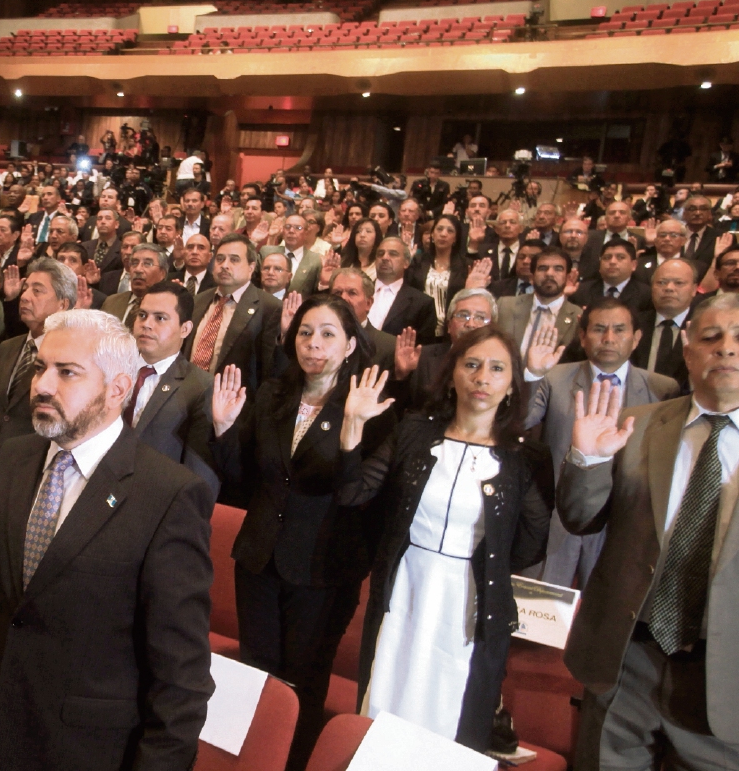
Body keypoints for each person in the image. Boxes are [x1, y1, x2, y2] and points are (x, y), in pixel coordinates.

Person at [0, 308, 215, 771]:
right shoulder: (12, 457)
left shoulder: (168, 494)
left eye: (67, 372)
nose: (41, 385)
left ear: (118, 388)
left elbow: (181, 678)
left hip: (85, 751)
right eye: (40, 367)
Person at [338, 326, 553, 750]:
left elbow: (529, 546)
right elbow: (353, 493)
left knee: (454, 708)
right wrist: (352, 426)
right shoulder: (414, 431)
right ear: (452, 372)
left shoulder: (523, 457)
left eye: (496, 368)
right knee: (387, 690)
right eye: (471, 364)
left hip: (470, 600)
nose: (482, 378)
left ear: (512, 384)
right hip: (406, 586)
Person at [212, 293, 392, 769]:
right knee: (257, 673)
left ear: (351, 344)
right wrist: (225, 428)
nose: (314, 343)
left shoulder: (371, 405)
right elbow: (241, 477)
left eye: (328, 334)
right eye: (306, 333)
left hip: (323, 565)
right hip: (260, 558)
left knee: (303, 679)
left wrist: (353, 427)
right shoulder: (273, 393)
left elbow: (359, 494)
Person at [561, 294, 739, 770]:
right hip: (627, 658)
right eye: (712, 336)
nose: (726, 348)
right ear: (687, 350)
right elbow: (580, 518)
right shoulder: (637, 425)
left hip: (724, 677)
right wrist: (588, 460)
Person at [522, 298, 679, 588]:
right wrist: (532, 375)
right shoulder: (554, 378)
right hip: (559, 517)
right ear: (582, 337)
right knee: (540, 616)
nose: (609, 338)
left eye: (619, 329)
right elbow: (518, 422)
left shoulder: (662, 388)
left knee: (602, 617)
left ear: (637, 338)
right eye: (599, 329)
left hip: (622, 525)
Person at [128, 281, 218, 498]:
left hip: (152, 502)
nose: (146, 324)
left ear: (185, 329)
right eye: (142, 315)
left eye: (160, 318)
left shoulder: (200, 386)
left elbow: (198, 477)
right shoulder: (113, 370)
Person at [0, 257, 76, 448]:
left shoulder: (70, 358)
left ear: (62, 305)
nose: (24, 296)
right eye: (26, 288)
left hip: (30, 460)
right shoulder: (7, 347)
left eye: (37, 291)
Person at [184, 235, 282, 391]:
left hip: (235, 404)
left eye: (234, 260)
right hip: (188, 396)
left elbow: (269, 370)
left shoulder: (270, 307)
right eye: (220, 259)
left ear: (251, 267)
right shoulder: (198, 301)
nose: (225, 265)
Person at [393, 288, 497, 412]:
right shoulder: (423, 356)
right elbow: (399, 410)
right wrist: (401, 376)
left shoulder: (501, 364)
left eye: (480, 317)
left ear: (493, 327)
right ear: (449, 326)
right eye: (463, 315)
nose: (471, 324)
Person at [405, 215, 490, 339]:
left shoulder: (465, 265)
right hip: (421, 328)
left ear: (455, 238)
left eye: (450, 231)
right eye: (439, 229)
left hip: (451, 330)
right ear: (432, 235)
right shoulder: (418, 261)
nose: (443, 234)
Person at [497, 246, 583, 358]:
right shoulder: (505, 306)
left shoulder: (577, 316)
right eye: (542, 268)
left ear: (567, 277)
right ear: (532, 277)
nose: (549, 274)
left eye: (558, 269)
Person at [631, 258, 696, 395]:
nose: (669, 288)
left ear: (694, 289)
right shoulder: (633, 324)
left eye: (679, 283)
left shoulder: (702, 329)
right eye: (662, 282)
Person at [366, 237, 437, 339]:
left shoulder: (422, 303)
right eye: (380, 254)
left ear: (406, 263)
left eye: (393, 254)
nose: (385, 257)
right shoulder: (357, 291)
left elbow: (424, 348)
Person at [570, 238, 651, 312]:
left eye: (620, 257)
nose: (612, 262)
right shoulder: (582, 291)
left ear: (633, 265)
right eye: (607, 257)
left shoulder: (646, 295)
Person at [101, 244, 165, 328]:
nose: (138, 269)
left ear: (162, 274)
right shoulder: (111, 302)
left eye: (147, 264)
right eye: (134, 263)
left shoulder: (167, 307)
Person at [260, 213, 322, 295]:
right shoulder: (266, 252)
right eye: (287, 227)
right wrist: (253, 241)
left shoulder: (316, 260)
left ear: (306, 233)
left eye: (298, 228)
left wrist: (324, 283)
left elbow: (317, 293)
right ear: (283, 231)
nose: (291, 231)